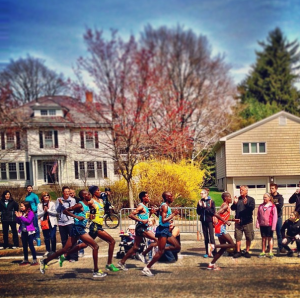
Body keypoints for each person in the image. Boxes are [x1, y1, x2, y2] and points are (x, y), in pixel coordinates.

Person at [39, 190, 107, 278]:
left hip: (78, 229)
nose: (89, 195)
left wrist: (90, 216)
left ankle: (45, 261)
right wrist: (76, 217)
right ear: (83, 196)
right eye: (87, 194)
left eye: (89, 194)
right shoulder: (80, 204)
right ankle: (96, 271)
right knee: (95, 246)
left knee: (65, 249)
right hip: (78, 229)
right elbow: (65, 211)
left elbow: (86, 215)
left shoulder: (88, 205)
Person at [62, 185, 119, 272]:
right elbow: (81, 206)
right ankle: (108, 264)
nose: (100, 191)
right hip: (95, 226)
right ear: (93, 192)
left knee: (84, 244)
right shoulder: (91, 201)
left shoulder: (100, 200)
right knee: (111, 241)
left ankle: (65, 255)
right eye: (98, 190)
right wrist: (77, 215)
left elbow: (102, 209)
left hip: (99, 224)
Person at [142, 191, 180, 277]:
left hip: (166, 230)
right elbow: (163, 220)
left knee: (177, 246)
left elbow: (159, 214)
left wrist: (155, 211)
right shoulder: (165, 206)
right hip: (163, 230)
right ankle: (147, 268)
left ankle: (158, 247)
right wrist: (174, 214)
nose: (172, 197)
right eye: (171, 196)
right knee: (161, 251)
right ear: (167, 198)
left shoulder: (164, 206)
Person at [118, 191, 158, 271]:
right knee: (157, 239)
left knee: (135, 247)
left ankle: (121, 262)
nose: (148, 198)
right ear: (143, 198)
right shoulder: (141, 206)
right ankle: (143, 254)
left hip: (142, 227)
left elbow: (145, 219)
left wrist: (150, 213)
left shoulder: (145, 207)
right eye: (147, 196)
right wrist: (140, 220)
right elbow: (131, 215)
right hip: (141, 228)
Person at [207, 192, 236, 270]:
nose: (231, 198)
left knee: (223, 248)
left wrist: (232, 219)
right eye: (229, 197)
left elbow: (223, 216)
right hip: (221, 228)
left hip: (220, 227)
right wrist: (225, 221)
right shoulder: (225, 205)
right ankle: (213, 246)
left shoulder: (225, 205)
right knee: (232, 244)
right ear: (226, 198)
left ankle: (211, 264)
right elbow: (216, 213)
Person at [231, 185, 255, 258]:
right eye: (240, 190)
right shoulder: (238, 199)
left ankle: (247, 251)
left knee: (249, 237)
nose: (241, 191)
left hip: (248, 222)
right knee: (238, 237)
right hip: (238, 222)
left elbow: (251, 208)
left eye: (242, 190)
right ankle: (238, 251)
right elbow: (232, 208)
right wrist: (235, 203)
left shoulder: (251, 199)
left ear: (246, 191)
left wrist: (246, 204)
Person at [55, 186, 78, 262]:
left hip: (70, 221)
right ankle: (66, 255)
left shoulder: (72, 200)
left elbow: (70, 211)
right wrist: (59, 204)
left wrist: (63, 204)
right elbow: (57, 211)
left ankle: (74, 257)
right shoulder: (59, 199)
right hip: (61, 222)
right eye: (66, 191)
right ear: (63, 192)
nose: (67, 193)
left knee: (72, 240)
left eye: (68, 191)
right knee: (64, 240)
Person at [256, 193, 278, 259]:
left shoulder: (273, 206)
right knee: (263, 238)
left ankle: (270, 251)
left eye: (265, 197)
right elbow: (258, 216)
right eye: (263, 197)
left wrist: (273, 226)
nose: (264, 199)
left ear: (269, 198)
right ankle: (263, 251)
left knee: (270, 238)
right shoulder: (260, 206)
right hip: (262, 225)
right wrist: (257, 223)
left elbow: (275, 217)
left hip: (269, 225)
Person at [197, 189, 216, 258]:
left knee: (211, 237)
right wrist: (200, 206)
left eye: (202, 193)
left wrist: (206, 207)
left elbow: (212, 212)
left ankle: (214, 252)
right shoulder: (200, 201)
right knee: (206, 237)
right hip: (203, 221)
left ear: (206, 194)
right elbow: (198, 212)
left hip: (210, 221)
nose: (201, 195)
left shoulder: (211, 201)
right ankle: (207, 252)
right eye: (200, 193)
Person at [270, 183, 285, 254]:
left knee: (279, 233)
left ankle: (281, 247)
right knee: (270, 233)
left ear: (276, 189)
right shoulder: (269, 196)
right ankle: (269, 247)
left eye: (272, 188)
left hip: (278, 217)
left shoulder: (280, 197)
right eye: (270, 188)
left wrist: (274, 204)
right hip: (270, 217)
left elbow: (280, 206)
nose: (271, 189)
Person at [69, 188, 84, 257]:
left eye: (73, 193)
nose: (72, 194)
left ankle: (81, 251)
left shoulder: (78, 200)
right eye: (70, 193)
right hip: (70, 220)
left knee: (81, 237)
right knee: (72, 238)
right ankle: (71, 252)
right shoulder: (67, 200)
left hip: (78, 219)